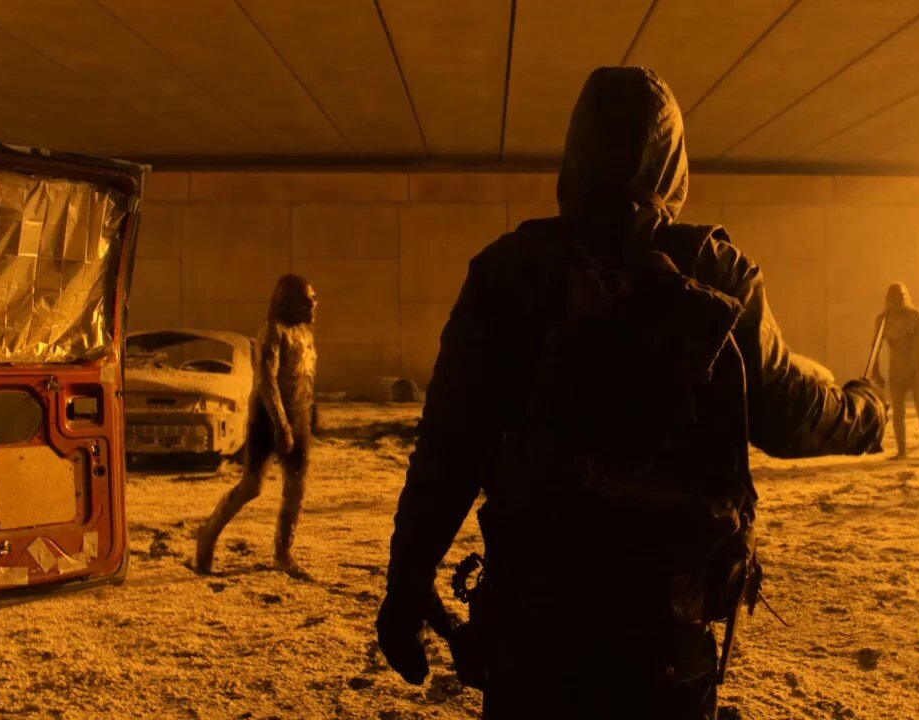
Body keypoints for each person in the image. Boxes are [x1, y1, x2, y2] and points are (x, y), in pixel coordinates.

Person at [375, 66, 885, 720]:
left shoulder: (510, 270)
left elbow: (449, 449)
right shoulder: (714, 269)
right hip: (666, 629)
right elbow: (790, 414)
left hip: (534, 625)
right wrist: (866, 410)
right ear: (674, 164)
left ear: (574, 156)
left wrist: (408, 580)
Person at [195, 274, 318, 578]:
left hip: (298, 417)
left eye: (313, 299)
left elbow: (305, 378)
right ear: (287, 302)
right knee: (252, 486)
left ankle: (283, 554)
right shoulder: (273, 331)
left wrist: (308, 416)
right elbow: (267, 381)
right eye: (306, 300)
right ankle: (208, 533)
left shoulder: (304, 333)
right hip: (268, 419)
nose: (313, 305)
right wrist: (281, 425)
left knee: (296, 488)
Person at [872, 282, 919, 459]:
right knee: (898, 413)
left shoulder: (917, 318)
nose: (896, 302)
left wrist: (915, 370)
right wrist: (875, 371)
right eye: (892, 298)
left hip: (917, 371)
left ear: (905, 297)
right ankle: (902, 450)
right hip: (897, 371)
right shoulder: (883, 320)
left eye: (899, 297)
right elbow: (876, 347)